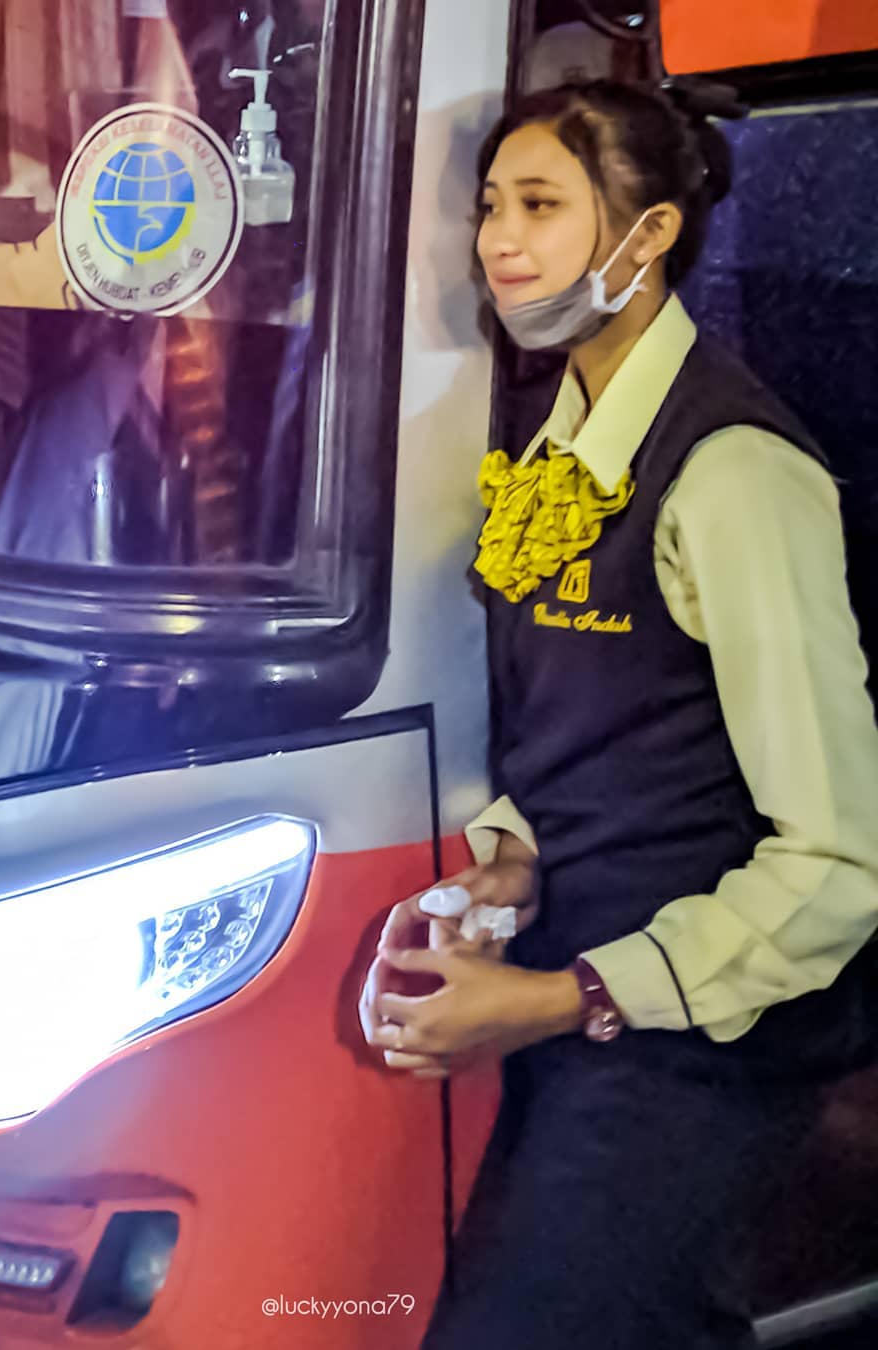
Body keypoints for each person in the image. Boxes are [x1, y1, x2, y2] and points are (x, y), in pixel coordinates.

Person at [358, 79, 878, 1349]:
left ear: (648, 237)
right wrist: (517, 861)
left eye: (541, 205)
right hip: (589, 1004)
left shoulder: (735, 472)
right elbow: (603, 726)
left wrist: (557, 998)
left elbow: (841, 859)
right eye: (491, 206)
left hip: (705, 1043)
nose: (499, 242)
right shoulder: (558, 446)